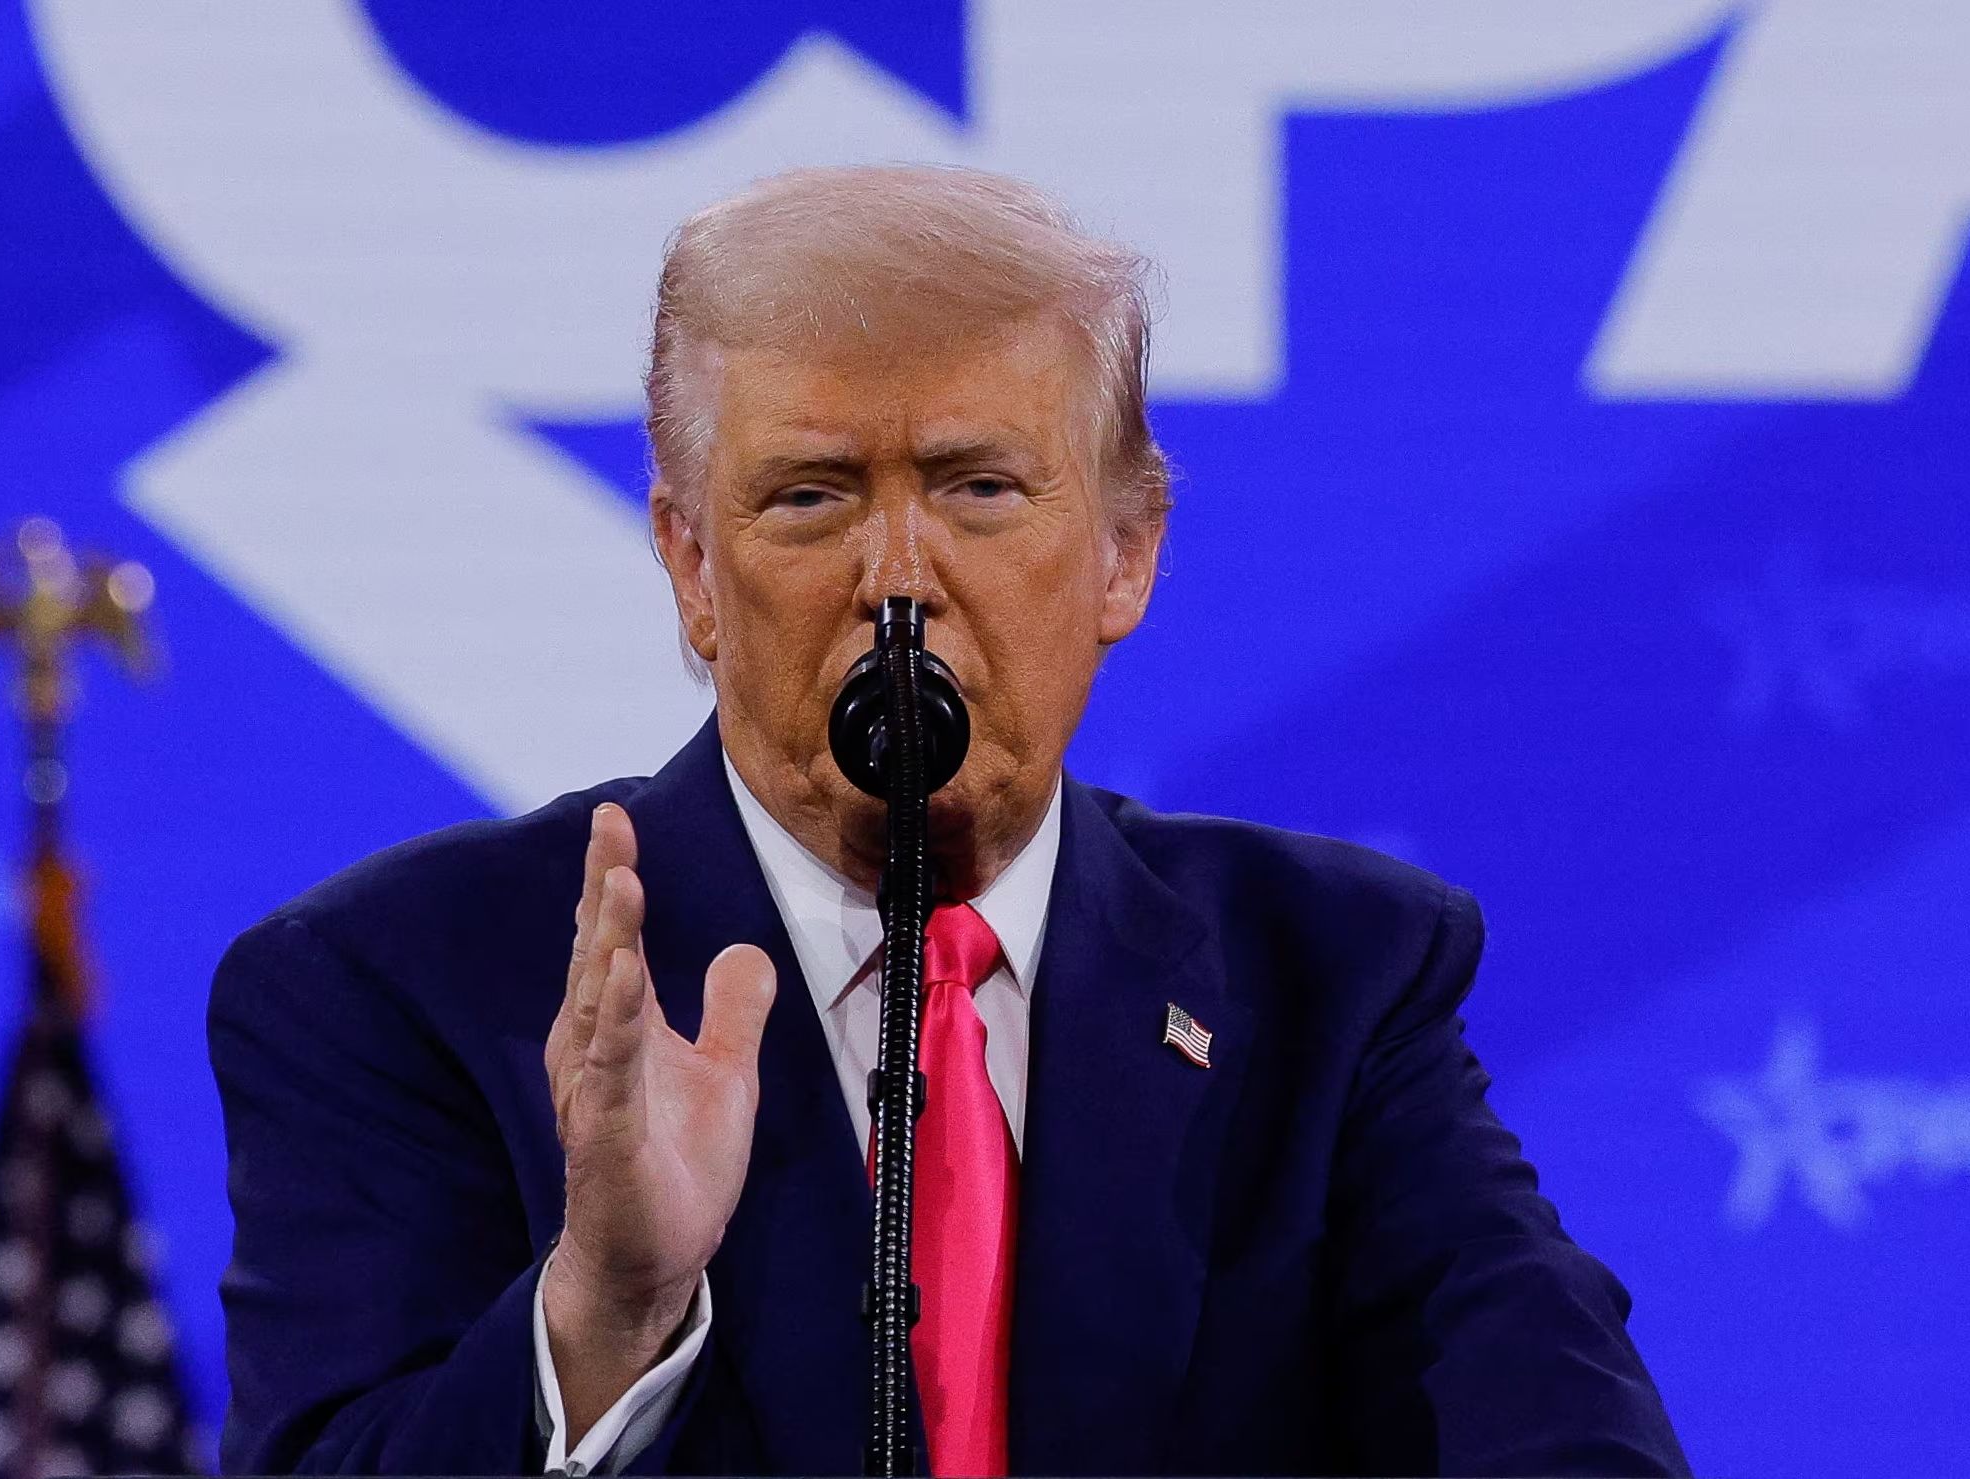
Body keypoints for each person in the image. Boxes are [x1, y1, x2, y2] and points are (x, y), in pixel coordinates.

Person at [209, 164, 1688, 1477]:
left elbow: (1555, 1426)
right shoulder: (397, 981)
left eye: (981, 488)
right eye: (807, 497)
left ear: (1122, 555)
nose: (897, 577)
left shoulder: (1333, 976)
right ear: (689, 568)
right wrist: (603, 1309)